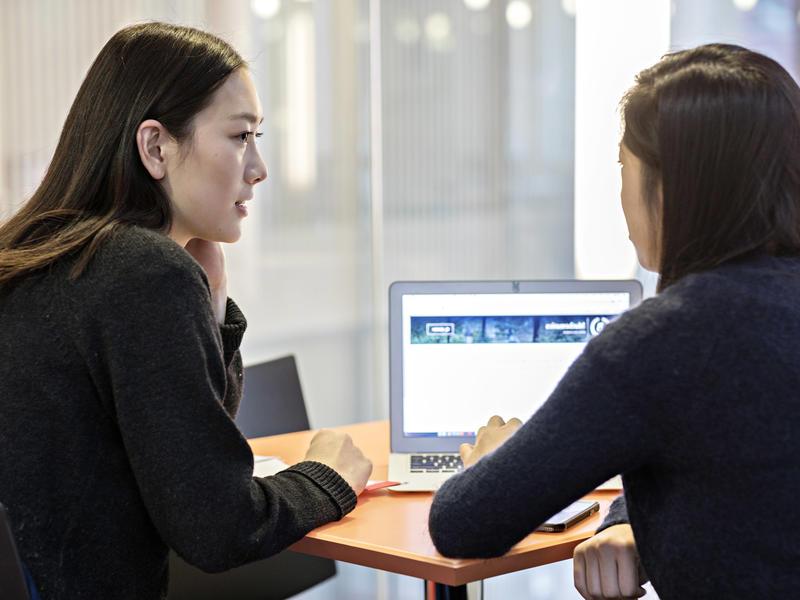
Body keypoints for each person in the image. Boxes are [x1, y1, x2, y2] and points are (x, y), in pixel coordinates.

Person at [0, 23, 372, 600]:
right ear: (155, 147)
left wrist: (212, 305)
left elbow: (184, 463)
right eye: (241, 136)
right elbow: (219, 528)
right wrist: (329, 479)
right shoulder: (141, 270)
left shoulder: (38, 254)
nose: (259, 167)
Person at [428, 43, 800, 600]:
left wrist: (489, 460)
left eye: (623, 167)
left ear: (674, 185)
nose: (621, 193)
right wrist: (630, 515)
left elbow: (464, 524)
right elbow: (740, 468)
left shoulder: (662, 341)